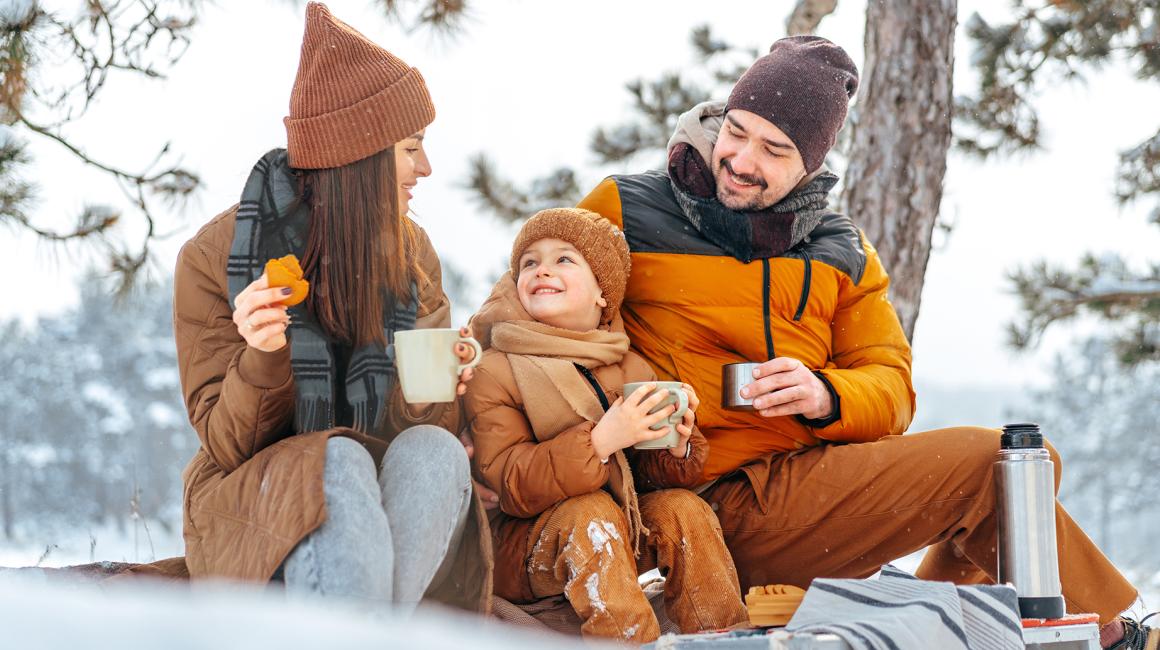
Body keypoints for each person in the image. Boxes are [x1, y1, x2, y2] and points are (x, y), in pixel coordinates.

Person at [474, 35, 1154, 648]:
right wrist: (467, 381)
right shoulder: (628, 208)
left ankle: (961, 617)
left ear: (812, 163)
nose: (739, 161)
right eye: (735, 133)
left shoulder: (842, 251)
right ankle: (1098, 634)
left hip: (799, 496)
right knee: (1000, 473)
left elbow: (890, 386)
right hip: (678, 498)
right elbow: (525, 296)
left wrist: (825, 392)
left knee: (1014, 468)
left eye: (774, 151)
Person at [174, 2, 491, 617]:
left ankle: (367, 631)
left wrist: (438, 386)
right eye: (410, 148)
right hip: (255, 497)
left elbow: (418, 429)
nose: (425, 169)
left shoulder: (412, 254)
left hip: (377, 497)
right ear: (361, 156)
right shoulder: (216, 259)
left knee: (435, 451)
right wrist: (264, 358)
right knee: (335, 454)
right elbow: (225, 442)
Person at [464, 208, 747, 642]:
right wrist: (598, 442)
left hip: (618, 525)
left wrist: (676, 449)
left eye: (564, 259)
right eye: (529, 262)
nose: (542, 270)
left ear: (603, 293)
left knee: (682, 510)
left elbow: (643, 479)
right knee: (590, 514)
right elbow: (508, 481)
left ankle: (722, 632)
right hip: (521, 547)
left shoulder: (626, 363)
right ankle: (627, 639)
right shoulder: (497, 368)